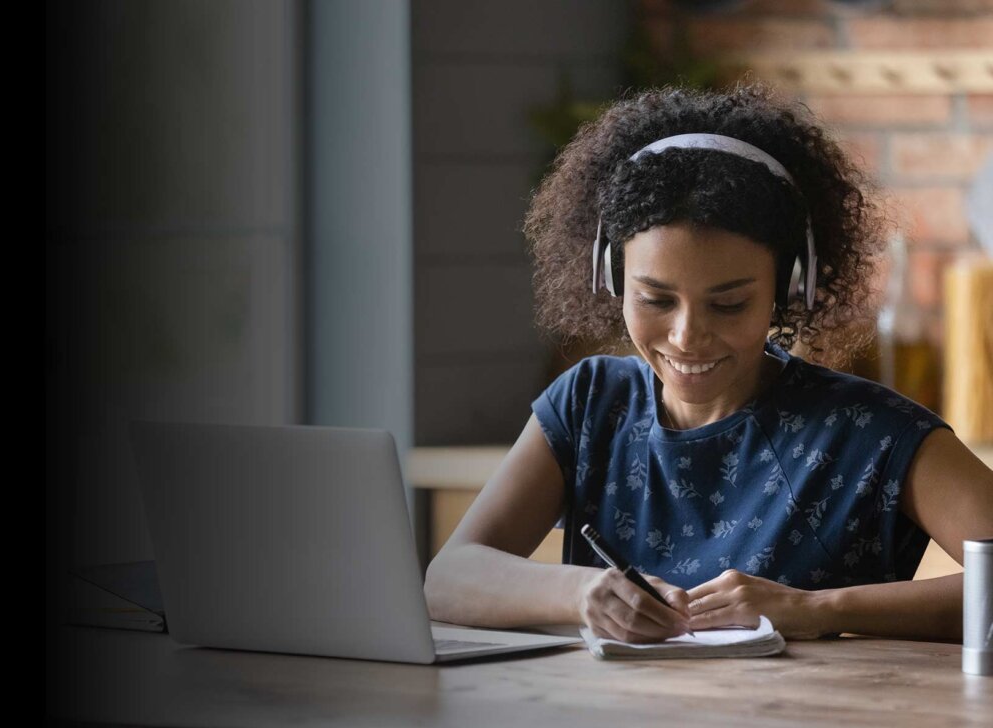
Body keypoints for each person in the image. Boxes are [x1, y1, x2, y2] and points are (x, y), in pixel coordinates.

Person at [423, 83, 993, 644]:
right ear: (612, 278)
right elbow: (448, 579)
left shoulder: (869, 432)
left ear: (790, 287)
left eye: (728, 303)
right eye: (655, 299)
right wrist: (580, 593)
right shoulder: (590, 403)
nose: (687, 335)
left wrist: (815, 609)